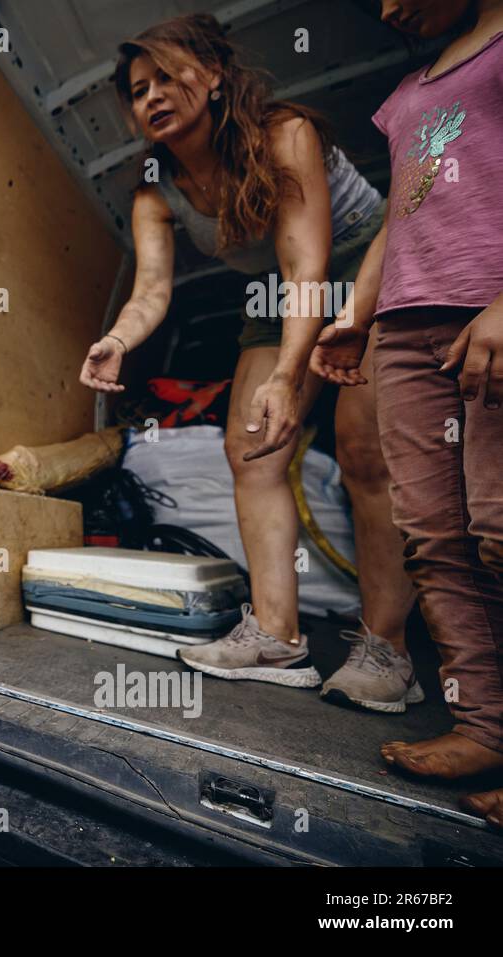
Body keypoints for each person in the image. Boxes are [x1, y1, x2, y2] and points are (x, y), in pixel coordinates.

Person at [80, 14, 419, 710]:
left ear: (212, 76)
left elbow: (307, 265)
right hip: (277, 296)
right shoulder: (157, 192)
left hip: (361, 272)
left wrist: (292, 379)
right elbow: (150, 291)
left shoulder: (285, 134)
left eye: (168, 77)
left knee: (364, 449)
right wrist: (118, 337)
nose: (153, 97)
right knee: (251, 449)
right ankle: (276, 635)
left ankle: (390, 653)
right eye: (139, 90)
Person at [310, 0, 503, 828]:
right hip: (404, 327)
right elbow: (402, 209)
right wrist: (357, 309)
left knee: (499, 525)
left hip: (487, 313)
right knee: (434, 532)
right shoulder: (405, 93)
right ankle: (486, 725)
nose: (387, 7)